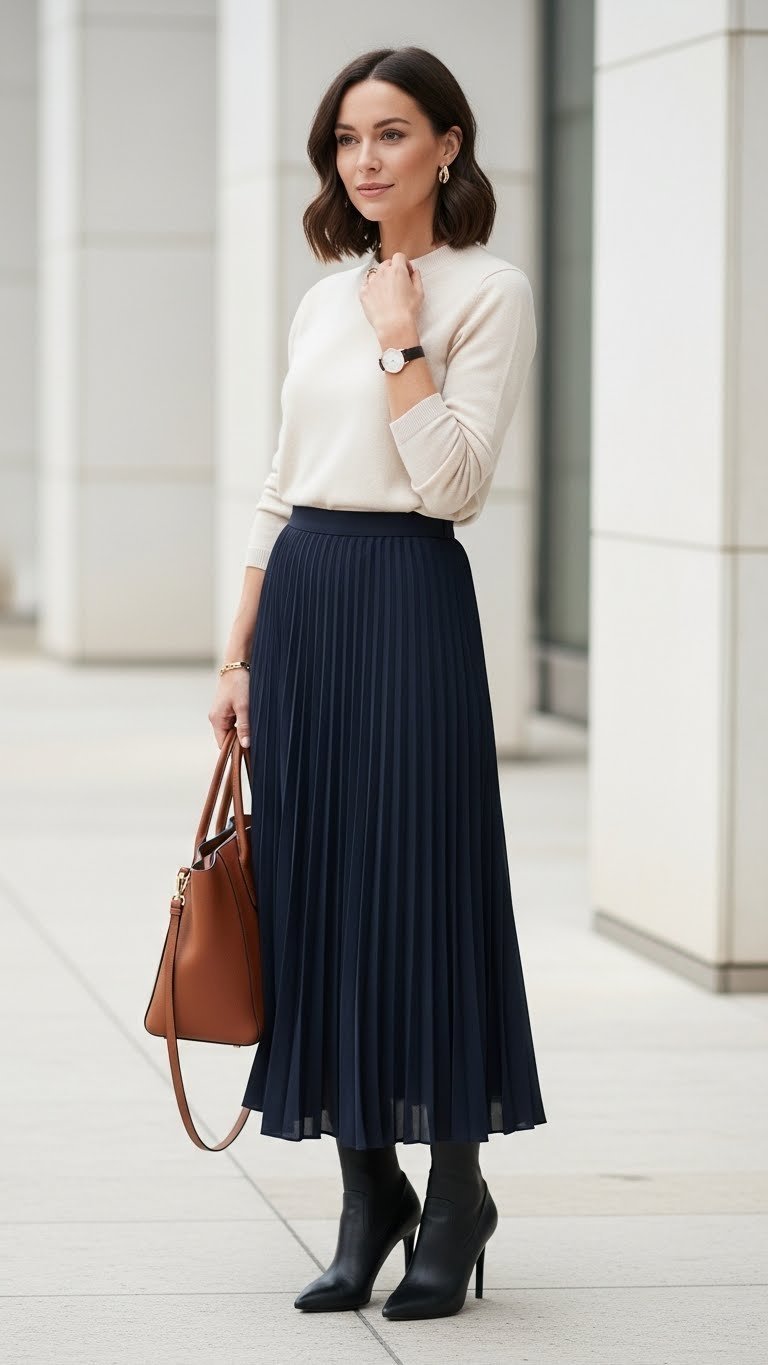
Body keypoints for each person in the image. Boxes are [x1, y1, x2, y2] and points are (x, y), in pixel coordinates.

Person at [208, 45, 547, 1321]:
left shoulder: (486, 292)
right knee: (318, 893)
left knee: (424, 887)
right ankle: (368, 1195)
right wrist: (237, 657)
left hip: (409, 601)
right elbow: (278, 482)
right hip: (306, 600)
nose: (365, 160)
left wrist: (404, 343)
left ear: (448, 145)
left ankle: (453, 1192)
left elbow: (454, 484)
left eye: (393, 134)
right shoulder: (318, 297)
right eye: (347, 139)